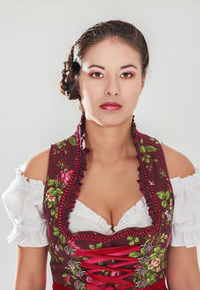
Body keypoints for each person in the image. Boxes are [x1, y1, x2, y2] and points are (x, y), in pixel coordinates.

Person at [2, 20, 200, 290]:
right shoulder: (39, 174)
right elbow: (28, 282)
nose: (112, 89)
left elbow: (187, 281)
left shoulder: (175, 171)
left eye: (126, 74)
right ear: (76, 78)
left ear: (142, 81)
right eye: (97, 74)